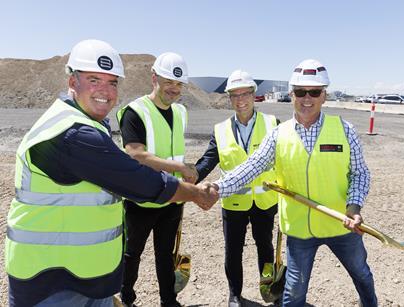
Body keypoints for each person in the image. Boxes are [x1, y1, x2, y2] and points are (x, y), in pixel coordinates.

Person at [4, 39, 217, 307]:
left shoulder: (86, 122)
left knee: (164, 253)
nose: (104, 91)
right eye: (94, 80)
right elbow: (136, 177)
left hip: (83, 275)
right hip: (52, 282)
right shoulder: (73, 133)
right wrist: (196, 193)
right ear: (72, 82)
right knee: (134, 254)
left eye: (112, 83)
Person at [209, 59, 378, 307]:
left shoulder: (344, 129)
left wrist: (354, 207)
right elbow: (251, 167)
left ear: (324, 96)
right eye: (300, 92)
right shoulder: (279, 134)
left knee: (361, 275)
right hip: (300, 231)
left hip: (341, 225)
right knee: (293, 295)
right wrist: (216, 188)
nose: (306, 98)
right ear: (291, 95)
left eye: (314, 92)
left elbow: (360, 173)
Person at [116, 52, 197, 307]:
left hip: (171, 199)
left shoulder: (181, 112)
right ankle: (126, 298)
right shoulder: (135, 112)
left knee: (165, 254)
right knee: (132, 254)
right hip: (141, 199)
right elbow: (136, 153)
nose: (174, 89)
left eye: (178, 84)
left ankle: (168, 300)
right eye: (168, 82)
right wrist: (180, 168)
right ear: (154, 78)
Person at [194, 69, 279, 307]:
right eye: (235, 95)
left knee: (265, 247)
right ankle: (235, 294)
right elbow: (208, 161)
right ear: (229, 98)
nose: (240, 100)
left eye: (245, 94)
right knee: (233, 251)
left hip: (264, 201)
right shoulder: (220, 130)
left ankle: (269, 288)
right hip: (233, 203)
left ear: (254, 95)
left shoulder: (273, 123)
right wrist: (191, 178)